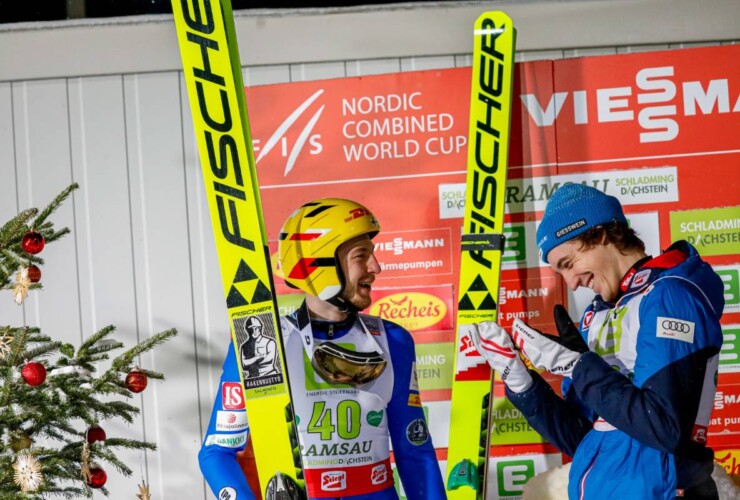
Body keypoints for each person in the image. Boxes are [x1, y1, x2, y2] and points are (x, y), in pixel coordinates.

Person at [465, 184, 724, 499]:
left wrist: (578, 365)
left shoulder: (669, 294)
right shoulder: (596, 314)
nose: (572, 283)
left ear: (600, 235)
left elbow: (664, 429)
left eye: (568, 263)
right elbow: (584, 438)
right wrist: (521, 380)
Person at [199, 198, 446, 500]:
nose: (376, 267)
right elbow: (216, 452)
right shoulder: (264, 343)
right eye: (361, 256)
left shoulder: (392, 340)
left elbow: (415, 451)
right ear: (321, 265)